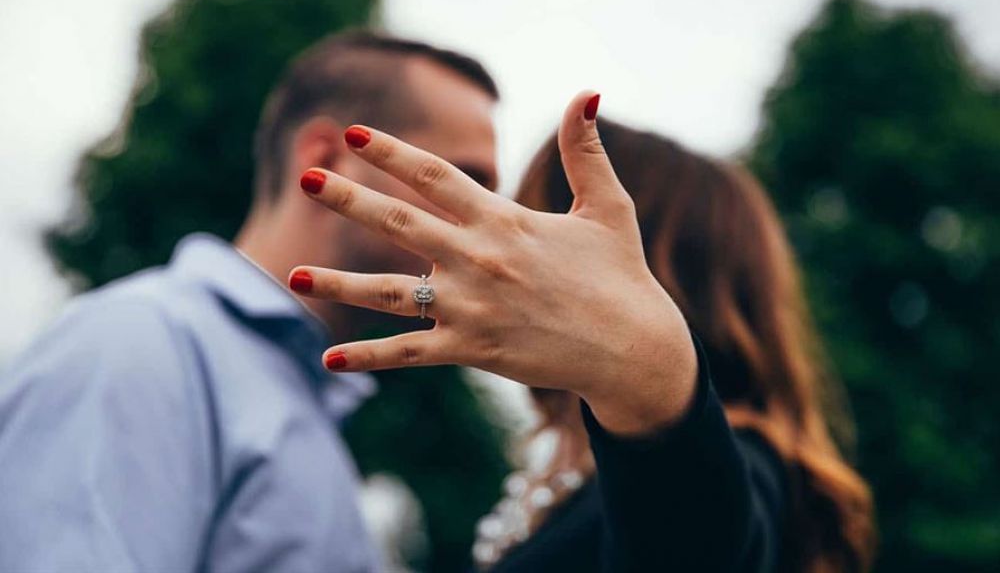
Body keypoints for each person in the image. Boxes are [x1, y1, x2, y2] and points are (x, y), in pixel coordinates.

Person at [290, 97, 875, 572]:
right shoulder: (571, 470)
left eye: (536, 221)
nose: (500, 252)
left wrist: (650, 375)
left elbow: (696, 550)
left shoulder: (744, 465)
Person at [0, 31, 500, 572]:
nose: (484, 222)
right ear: (329, 159)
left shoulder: (299, 392)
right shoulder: (136, 344)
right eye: (460, 180)